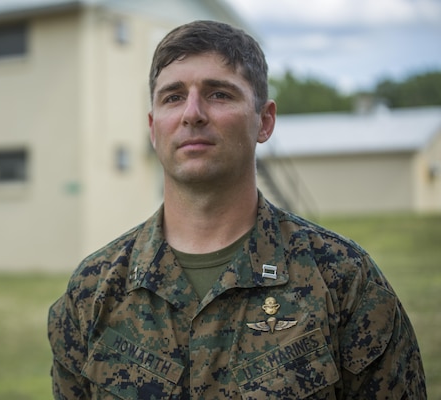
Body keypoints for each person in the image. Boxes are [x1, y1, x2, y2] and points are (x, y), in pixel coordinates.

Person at [48, 20, 426, 399]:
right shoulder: (93, 292)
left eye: (219, 94)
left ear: (264, 121)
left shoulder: (344, 281)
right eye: (173, 97)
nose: (192, 113)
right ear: (152, 127)